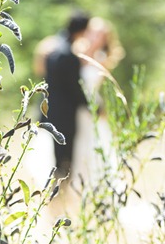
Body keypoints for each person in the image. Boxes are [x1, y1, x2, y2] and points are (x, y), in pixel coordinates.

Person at [38, 11, 90, 179]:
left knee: (57, 154)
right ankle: (61, 192)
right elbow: (74, 88)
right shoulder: (69, 55)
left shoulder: (52, 48)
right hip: (65, 113)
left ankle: (58, 190)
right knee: (65, 156)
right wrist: (92, 106)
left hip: (51, 109)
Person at [72, 16, 125, 183]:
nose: (96, 37)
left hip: (92, 105)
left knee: (94, 145)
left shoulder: (103, 58)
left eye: (101, 35)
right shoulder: (74, 52)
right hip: (76, 106)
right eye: (94, 33)